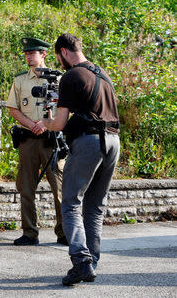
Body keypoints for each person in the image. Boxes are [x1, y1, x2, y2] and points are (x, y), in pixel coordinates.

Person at [41, 33, 120, 285]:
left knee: (71, 202)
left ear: (63, 52)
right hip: (113, 141)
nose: (59, 62)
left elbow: (60, 123)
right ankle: (91, 262)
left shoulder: (72, 76)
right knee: (95, 205)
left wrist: (47, 121)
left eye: (58, 57)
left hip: (88, 142)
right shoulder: (103, 74)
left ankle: (81, 261)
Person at [6, 37, 67, 246]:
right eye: (26, 54)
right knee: (26, 187)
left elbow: (69, 110)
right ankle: (29, 232)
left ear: (43, 55)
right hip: (28, 139)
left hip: (52, 140)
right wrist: (31, 124)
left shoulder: (59, 80)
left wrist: (45, 123)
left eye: (32, 53)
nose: (28, 57)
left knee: (59, 187)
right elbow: (13, 108)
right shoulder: (20, 80)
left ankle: (64, 232)